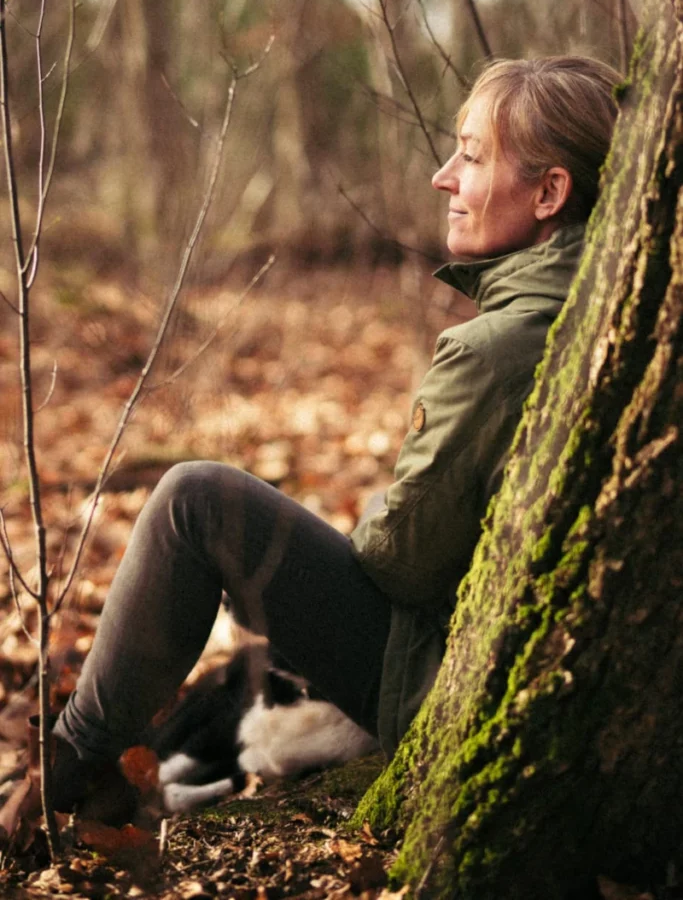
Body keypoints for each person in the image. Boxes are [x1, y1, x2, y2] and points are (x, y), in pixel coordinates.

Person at [2, 55, 621, 828]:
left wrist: (328, 557)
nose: (442, 176)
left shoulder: (499, 347)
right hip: (539, 676)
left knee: (196, 501)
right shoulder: (611, 319)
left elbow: (403, 564)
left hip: (456, 683)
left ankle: (61, 776)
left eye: (471, 154)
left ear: (549, 192)